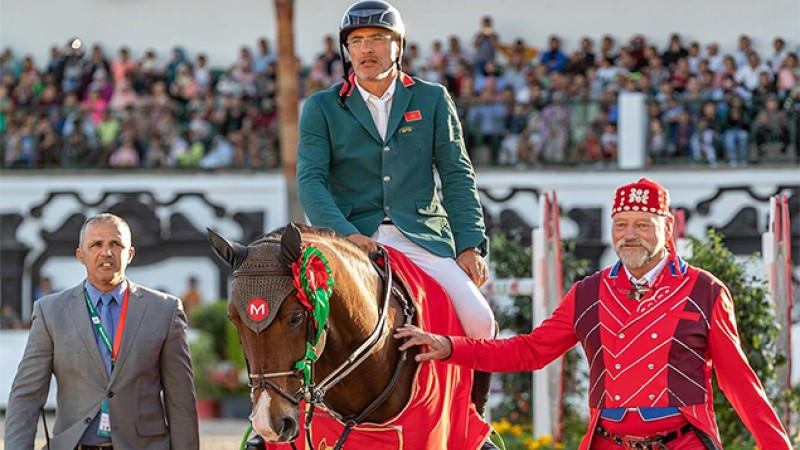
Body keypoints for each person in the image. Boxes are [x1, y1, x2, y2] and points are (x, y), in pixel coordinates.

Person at [395, 178, 792, 450]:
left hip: (683, 442)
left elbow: (740, 383)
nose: (629, 235)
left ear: (667, 228)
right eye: (620, 225)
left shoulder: (705, 291)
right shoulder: (589, 292)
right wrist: (449, 346)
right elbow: (531, 351)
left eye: (642, 224)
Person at [296, 1, 497, 448]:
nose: (367, 49)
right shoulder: (322, 106)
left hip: (422, 236)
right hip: (349, 237)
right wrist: (345, 235)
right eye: (357, 42)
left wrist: (470, 245)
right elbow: (310, 180)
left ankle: (473, 424)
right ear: (346, 50)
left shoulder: (431, 98)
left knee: (480, 322)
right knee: (294, 319)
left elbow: (458, 174)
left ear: (398, 46)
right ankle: (271, 423)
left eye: (378, 39)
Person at [5, 213, 199, 450]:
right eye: (96, 244)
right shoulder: (50, 311)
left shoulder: (165, 311)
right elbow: (26, 395)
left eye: (115, 244)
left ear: (130, 254)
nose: (106, 252)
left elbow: (181, 401)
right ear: (81, 255)